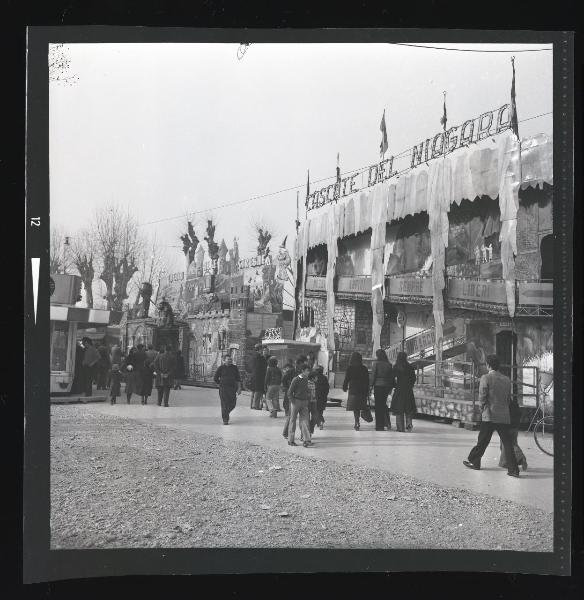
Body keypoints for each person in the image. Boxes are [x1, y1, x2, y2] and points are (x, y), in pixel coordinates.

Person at [464, 354, 520, 478]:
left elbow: (482, 396)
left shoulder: (486, 378)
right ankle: (514, 470)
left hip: (489, 415)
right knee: (507, 443)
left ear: (488, 365)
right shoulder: (506, 379)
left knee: (483, 440)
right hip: (504, 416)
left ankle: (474, 461)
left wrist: (481, 408)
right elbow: (507, 399)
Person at [499, 393, 528, 471]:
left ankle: (520, 457)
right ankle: (505, 462)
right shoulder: (514, 404)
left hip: (507, 427)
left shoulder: (504, 405)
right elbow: (519, 414)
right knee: (509, 444)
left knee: (508, 445)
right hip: (515, 428)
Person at [287, 363, 313, 447]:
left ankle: (306, 440)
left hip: (304, 403)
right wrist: (293, 401)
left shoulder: (307, 380)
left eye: (309, 371)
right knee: (292, 421)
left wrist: (308, 399)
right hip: (296, 402)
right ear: (302, 371)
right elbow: (289, 392)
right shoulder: (296, 379)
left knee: (305, 421)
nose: (308, 372)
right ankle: (291, 440)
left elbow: (308, 391)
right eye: (307, 371)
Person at [342, 351, 370, 431]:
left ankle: (357, 422)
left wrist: (344, 387)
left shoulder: (350, 368)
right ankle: (359, 420)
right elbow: (367, 380)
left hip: (353, 390)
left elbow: (347, 379)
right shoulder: (364, 368)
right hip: (362, 390)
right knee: (361, 406)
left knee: (355, 408)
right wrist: (368, 390)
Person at [390, 352, 417, 432]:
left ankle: (400, 427)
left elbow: (391, 377)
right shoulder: (410, 367)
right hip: (408, 389)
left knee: (399, 408)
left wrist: (395, 385)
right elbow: (414, 378)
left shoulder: (396, 367)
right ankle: (409, 423)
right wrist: (410, 385)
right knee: (408, 407)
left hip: (399, 389)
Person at [213, 354, 242, 424]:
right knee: (224, 404)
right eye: (228, 359)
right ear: (224, 360)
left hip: (232, 389)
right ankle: (225, 419)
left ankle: (225, 413)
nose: (230, 360)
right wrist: (221, 383)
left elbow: (238, 379)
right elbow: (215, 378)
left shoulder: (234, 368)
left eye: (230, 359)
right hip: (223, 389)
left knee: (233, 404)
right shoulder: (221, 368)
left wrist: (239, 388)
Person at [370, 349, 394, 431]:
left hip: (378, 385)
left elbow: (373, 376)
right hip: (386, 386)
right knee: (383, 404)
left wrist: (370, 386)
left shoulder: (376, 364)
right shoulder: (389, 364)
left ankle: (379, 425)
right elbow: (391, 377)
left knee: (378, 406)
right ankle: (387, 423)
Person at [281, 361, 296, 439]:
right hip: (293, 397)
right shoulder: (294, 375)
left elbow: (284, 386)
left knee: (290, 416)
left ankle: (286, 433)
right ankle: (286, 433)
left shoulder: (286, 375)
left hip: (289, 397)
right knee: (291, 417)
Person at [251, 345, 268, 410]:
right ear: (259, 349)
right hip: (259, 376)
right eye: (262, 349)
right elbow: (262, 366)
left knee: (256, 391)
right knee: (258, 391)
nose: (262, 351)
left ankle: (254, 405)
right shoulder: (259, 357)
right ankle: (256, 405)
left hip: (255, 375)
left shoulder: (253, 356)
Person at [314, 365, 330, 430]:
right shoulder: (324, 378)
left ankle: (320, 421)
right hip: (322, 397)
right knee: (320, 410)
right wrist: (325, 395)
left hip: (315, 396)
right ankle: (321, 421)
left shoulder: (314, 378)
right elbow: (327, 388)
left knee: (316, 410)